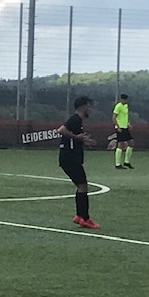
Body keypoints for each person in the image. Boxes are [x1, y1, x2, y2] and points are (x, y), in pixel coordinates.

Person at [57, 96, 100, 229]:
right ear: (83, 107)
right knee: (83, 186)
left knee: (81, 186)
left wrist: (83, 141)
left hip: (70, 158)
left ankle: (79, 216)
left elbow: (74, 138)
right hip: (70, 158)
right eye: (89, 106)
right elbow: (61, 130)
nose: (90, 109)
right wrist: (76, 137)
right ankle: (85, 218)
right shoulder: (75, 119)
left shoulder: (78, 121)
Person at [112, 93, 135, 169]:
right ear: (121, 99)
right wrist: (118, 127)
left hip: (125, 127)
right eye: (124, 100)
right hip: (120, 128)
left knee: (131, 143)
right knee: (120, 145)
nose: (125, 101)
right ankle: (117, 164)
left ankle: (126, 162)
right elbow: (114, 117)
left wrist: (128, 124)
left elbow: (125, 117)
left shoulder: (126, 106)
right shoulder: (118, 106)